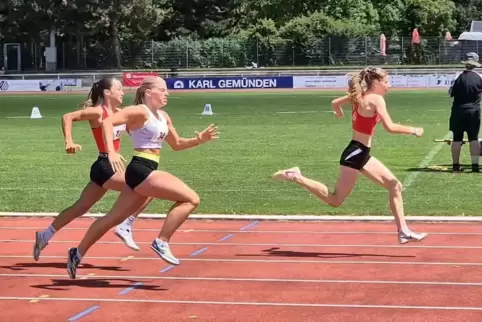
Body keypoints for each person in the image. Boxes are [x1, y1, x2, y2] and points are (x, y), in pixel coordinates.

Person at [66, 76, 219, 279]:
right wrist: (111, 151)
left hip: (146, 168)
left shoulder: (164, 116)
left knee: (111, 218)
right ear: (148, 92)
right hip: (141, 168)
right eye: (162, 90)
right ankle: (161, 241)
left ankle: (77, 252)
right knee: (191, 199)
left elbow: (177, 143)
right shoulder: (139, 111)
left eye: (167, 91)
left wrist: (199, 140)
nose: (167, 93)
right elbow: (107, 122)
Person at [272, 67, 427, 244]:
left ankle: (403, 231)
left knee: (395, 186)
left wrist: (338, 112)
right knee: (335, 200)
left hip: (360, 152)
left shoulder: (358, 96)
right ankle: (295, 176)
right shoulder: (376, 99)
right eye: (386, 81)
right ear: (376, 83)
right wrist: (414, 130)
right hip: (355, 154)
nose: (389, 85)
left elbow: (335, 102)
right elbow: (390, 127)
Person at [33, 78, 151, 261]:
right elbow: (67, 117)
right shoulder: (97, 112)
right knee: (146, 187)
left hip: (107, 167)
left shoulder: (119, 113)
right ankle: (125, 225)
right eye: (118, 89)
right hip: (105, 166)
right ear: (107, 93)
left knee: (80, 207)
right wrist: (69, 142)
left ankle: (44, 236)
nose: (123, 92)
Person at [448, 52, 482, 172]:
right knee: (474, 138)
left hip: (458, 110)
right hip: (474, 111)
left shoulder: (457, 76)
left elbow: (450, 93)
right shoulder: (479, 77)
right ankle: (475, 166)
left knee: (457, 139)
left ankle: (456, 166)